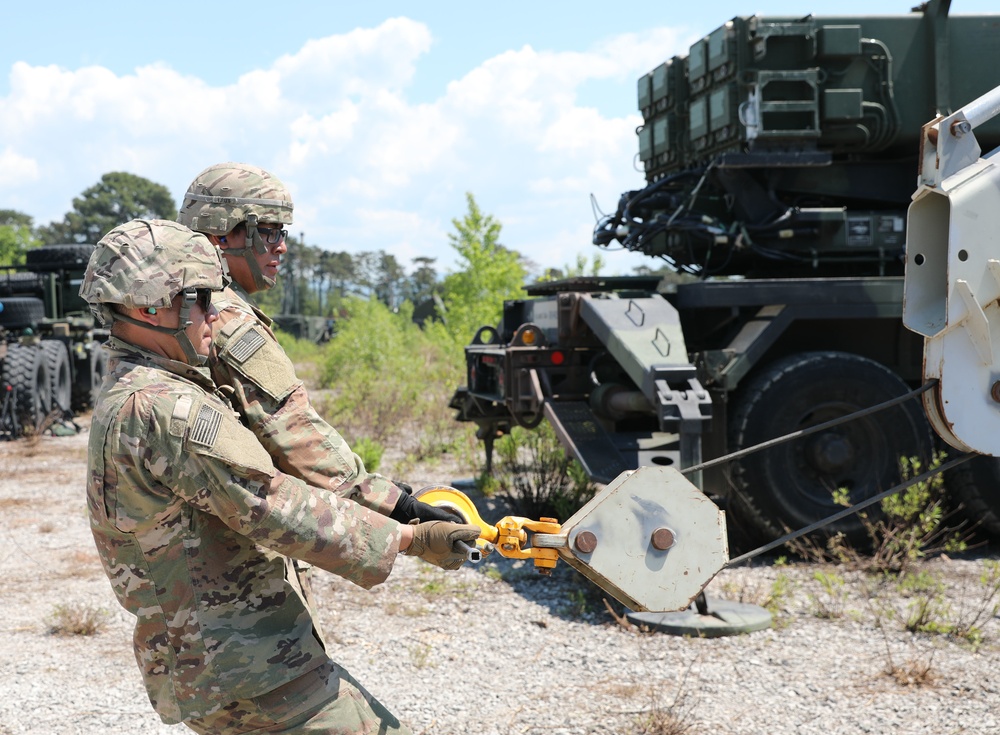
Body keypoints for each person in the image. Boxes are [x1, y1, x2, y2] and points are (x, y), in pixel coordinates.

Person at [80, 219, 481, 734]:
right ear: (148, 307)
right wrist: (408, 537)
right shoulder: (164, 408)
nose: (212, 314)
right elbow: (270, 505)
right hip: (241, 669)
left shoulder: (144, 392)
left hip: (236, 659)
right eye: (199, 297)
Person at [176, 162, 451, 527]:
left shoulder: (177, 307)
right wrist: (396, 505)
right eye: (270, 233)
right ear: (221, 235)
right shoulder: (224, 319)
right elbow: (293, 434)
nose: (283, 247)